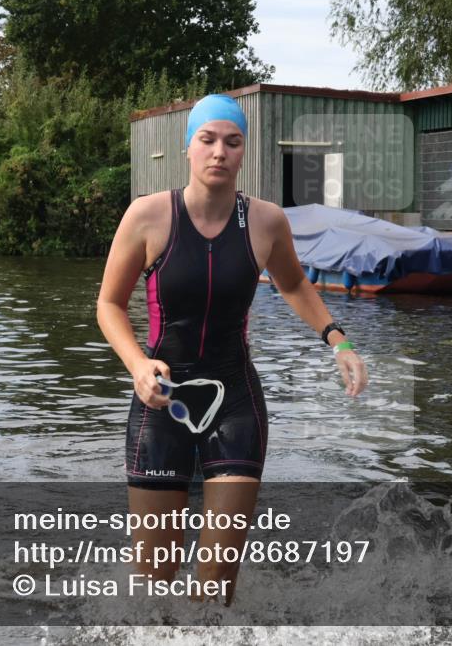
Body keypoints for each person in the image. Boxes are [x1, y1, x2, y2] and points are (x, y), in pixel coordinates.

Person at [97, 94, 368, 604]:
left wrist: (339, 341)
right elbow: (109, 304)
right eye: (208, 139)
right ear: (189, 148)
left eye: (232, 141)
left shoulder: (266, 223)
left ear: (244, 152)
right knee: (154, 584)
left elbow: (293, 285)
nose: (219, 151)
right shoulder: (148, 216)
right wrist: (136, 364)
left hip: (236, 403)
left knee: (216, 587)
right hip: (161, 403)